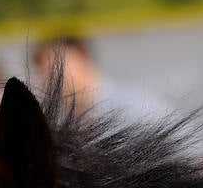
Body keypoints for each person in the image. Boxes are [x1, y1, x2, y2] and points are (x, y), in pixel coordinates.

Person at [30, 35, 173, 125]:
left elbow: (191, 155)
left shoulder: (138, 107)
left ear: (82, 56)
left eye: (51, 69)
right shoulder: (58, 120)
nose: (44, 79)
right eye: (41, 72)